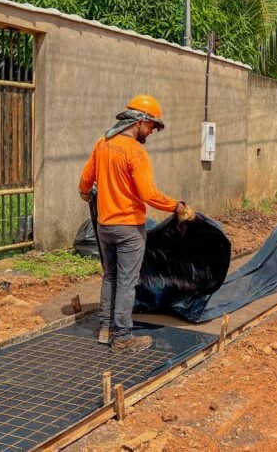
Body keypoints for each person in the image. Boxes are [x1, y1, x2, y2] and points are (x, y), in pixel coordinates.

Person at [79, 94, 195, 352]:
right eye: (152, 125)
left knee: (110, 277)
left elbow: (86, 180)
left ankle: (105, 329)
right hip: (129, 228)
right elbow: (149, 194)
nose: (152, 131)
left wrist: (85, 193)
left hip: (105, 226)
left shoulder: (102, 144)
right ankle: (122, 337)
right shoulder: (136, 152)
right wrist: (177, 207)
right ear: (140, 121)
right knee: (126, 281)